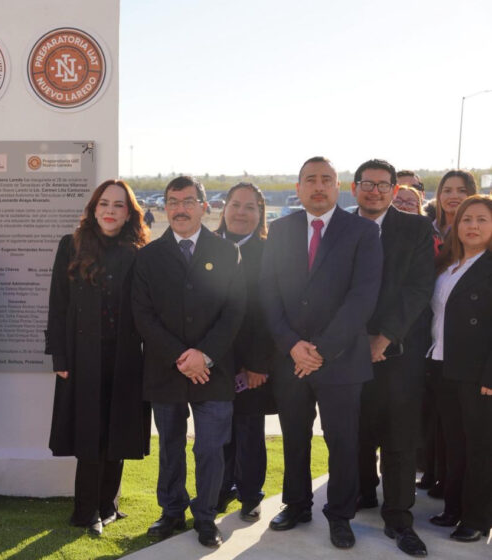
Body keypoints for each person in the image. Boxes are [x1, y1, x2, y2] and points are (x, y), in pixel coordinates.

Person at [261, 156, 383, 549]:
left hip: (342, 360)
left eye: (326, 179)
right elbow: (268, 293)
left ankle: (340, 515)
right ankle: (296, 505)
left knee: (343, 441)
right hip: (290, 359)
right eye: (310, 180)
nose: (318, 186)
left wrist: (322, 350)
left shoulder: (362, 232)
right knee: (295, 437)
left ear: (338, 187)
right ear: (297, 188)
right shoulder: (279, 231)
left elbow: (362, 297)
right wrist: (292, 345)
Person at [132, 176, 246, 548]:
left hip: (214, 371)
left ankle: (206, 516)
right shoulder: (147, 255)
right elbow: (143, 314)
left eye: (187, 201)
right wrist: (182, 357)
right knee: (170, 445)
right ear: (165, 207)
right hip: (167, 370)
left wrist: (204, 355)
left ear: (203, 205)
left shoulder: (227, 252)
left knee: (210, 447)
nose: (180, 208)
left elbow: (234, 311)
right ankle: (171, 511)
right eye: (173, 201)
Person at [46, 179, 151, 536]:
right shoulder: (71, 246)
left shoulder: (139, 251)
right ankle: (85, 510)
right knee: (89, 435)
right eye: (104, 203)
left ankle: (109, 505)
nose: (110, 210)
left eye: (118, 205)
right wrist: (59, 355)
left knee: (118, 431)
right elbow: (57, 305)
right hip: (81, 358)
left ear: (129, 213)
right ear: (93, 209)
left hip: (126, 358)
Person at [350, 160, 434, 557]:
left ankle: (398, 516)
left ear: (393, 190)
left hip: (399, 351)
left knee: (399, 438)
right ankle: (361, 495)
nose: (376, 191)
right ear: (354, 188)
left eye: (384, 185)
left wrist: (384, 337)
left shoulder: (416, 229)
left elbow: (418, 289)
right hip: (348, 351)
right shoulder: (341, 229)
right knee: (357, 430)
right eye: (368, 184)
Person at [428, 195, 492, 543]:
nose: (473, 226)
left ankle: (478, 518)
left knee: (481, 447)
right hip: (442, 365)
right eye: (467, 219)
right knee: (454, 444)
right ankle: (453, 508)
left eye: (482, 220)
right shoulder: (447, 264)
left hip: (478, 374)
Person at [215, 182, 275, 523]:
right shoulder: (207, 247)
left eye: (249, 207)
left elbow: (270, 312)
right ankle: (220, 489)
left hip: (253, 364)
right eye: (235, 205)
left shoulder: (270, 252)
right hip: (213, 362)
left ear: (260, 213)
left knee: (250, 431)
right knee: (217, 429)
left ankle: (250, 494)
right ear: (224, 208)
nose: (241, 212)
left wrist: (258, 364)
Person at [419, 170, 478, 497]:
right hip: (430, 341)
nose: (453, 196)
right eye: (447, 190)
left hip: (466, 352)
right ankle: (435, 476)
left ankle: (459, 492)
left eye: (461, 190)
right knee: (436, 419)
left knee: (464, 431)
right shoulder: (428, 230)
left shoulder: (476, 235)